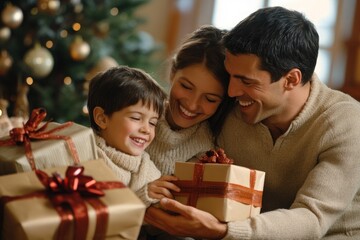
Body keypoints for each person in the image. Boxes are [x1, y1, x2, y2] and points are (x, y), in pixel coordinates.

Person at [144, 6, 360, 239]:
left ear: (291, 79)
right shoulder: (232, 106)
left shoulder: (345, 122)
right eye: (231, 75)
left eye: (246, 81)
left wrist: (223, 231)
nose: (232, 90)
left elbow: (312, 218)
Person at [146, 25, 235, 176]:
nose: (192, 105)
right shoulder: (138, 114)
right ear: (173, 72)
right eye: (186, 87)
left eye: (210, 99)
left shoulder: (208, 150)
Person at [87, 65, 179, 208]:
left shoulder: (146, 168)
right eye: (136, 118)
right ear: (102, 119)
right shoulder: (86, 156)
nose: (147, 130)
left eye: (153, 123)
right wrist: (141, 198)